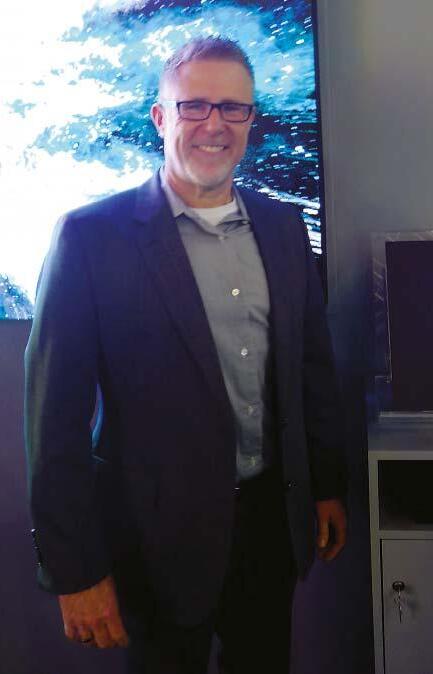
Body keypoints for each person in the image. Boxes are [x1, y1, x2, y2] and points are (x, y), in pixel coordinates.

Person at [25, 36, 347, 674]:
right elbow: (53, 419)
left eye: (233, 108)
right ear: (160, 117)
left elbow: (309, 370)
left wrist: (327, 486)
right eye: (194, 105)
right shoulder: (90, 237)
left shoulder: (285, 228)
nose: (214, 124)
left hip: (269, 526)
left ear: (251, 119)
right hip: (154, 541)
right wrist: (73, 569)